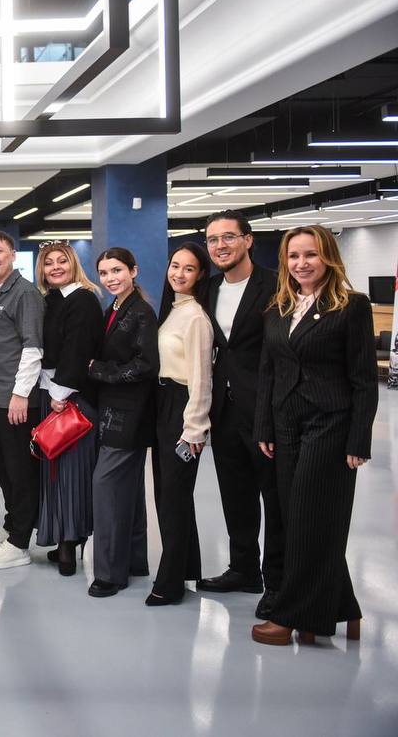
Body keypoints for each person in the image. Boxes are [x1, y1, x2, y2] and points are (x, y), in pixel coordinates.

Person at [252, 225, 377, 645]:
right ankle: (343, 608)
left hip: (330, 424)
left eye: (311, 255)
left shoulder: (351, 306)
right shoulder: (278, 308)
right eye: (293, 256)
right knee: (300, 520)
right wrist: (264, 426)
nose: (301, 263)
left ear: (328, 257)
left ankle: (292, 616)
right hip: (286, 424)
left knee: (310, 519)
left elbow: (364, 380)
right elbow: (269, 372)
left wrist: (359, 439)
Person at [198, 210, 283, 620]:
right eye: (213, 240)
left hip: (268, 410)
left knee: (275, 499)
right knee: (236, 495)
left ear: (248, 240)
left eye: (228, 237)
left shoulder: (276, 285)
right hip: (225, 410)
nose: (220, 246)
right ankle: (244, 569)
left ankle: (278, 582)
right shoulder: (209, 289)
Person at [87, 247, 158, 597]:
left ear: (133, 270)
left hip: (128, 415)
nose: (110, 278)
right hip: (113, 411)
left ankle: (109, 575)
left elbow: (146, 365)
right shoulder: (114, 308)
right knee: (127, 490)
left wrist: (98, 370)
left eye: (117, 270)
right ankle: (133, 561)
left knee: (107, 488)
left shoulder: (141, 312)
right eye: (104, 273)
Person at [0, 231, 45, 570]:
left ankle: (19, 543)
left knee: (20, 472)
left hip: (16, 401)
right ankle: (11, 524)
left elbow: (33, 347)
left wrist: (20, 394)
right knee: (4, 468)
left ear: (13, 255)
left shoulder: (25, 293)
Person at [147, 243, 212, 606]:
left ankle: (169, 583)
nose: (179, 274)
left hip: (182, 409)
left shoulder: (196, 318)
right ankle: (187, 567)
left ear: (200, 275)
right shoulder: (173, 310)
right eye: (175, 266)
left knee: (173, 497)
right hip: (163, 404)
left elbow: (202, 379)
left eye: (189, 268)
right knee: (169, 495)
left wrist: (194, 428)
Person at [33, 241, 103, 577]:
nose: (56, 267)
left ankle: (70, 543)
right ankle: (61, 535)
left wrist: (60, 392)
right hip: (52, 395)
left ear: (73, 264)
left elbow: (78, 349)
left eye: (62, 261)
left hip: (73, 399)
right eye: (49, 263)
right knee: (54, 472)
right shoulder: (51, 300)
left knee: (72, 474)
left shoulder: (84, 300)